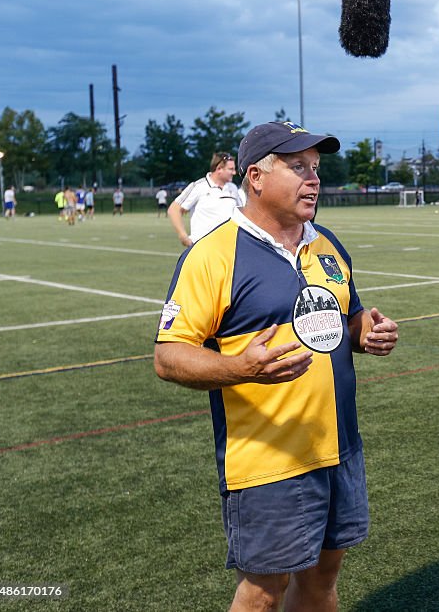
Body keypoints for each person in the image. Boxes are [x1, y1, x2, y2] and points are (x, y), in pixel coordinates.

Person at [154, 121, 399, 612]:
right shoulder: (214, 255)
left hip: (339, 446)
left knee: (322, 583)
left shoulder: (326, 244)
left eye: (316, 169)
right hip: (268, 459)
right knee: (264, 594)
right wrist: (240, 368)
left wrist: (365, 333)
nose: (314, 180)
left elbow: (349, 317)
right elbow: (168, 356)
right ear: (256, 178)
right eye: (298, 167)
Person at [168, 152, 242, 247]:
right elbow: (174, 209)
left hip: (227, 248)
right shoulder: (198, 186)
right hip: (202, 248)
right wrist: (183, 236)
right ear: (219, 169)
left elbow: (241, 213)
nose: (234, 172)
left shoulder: (233, 188)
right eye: (231, 169)